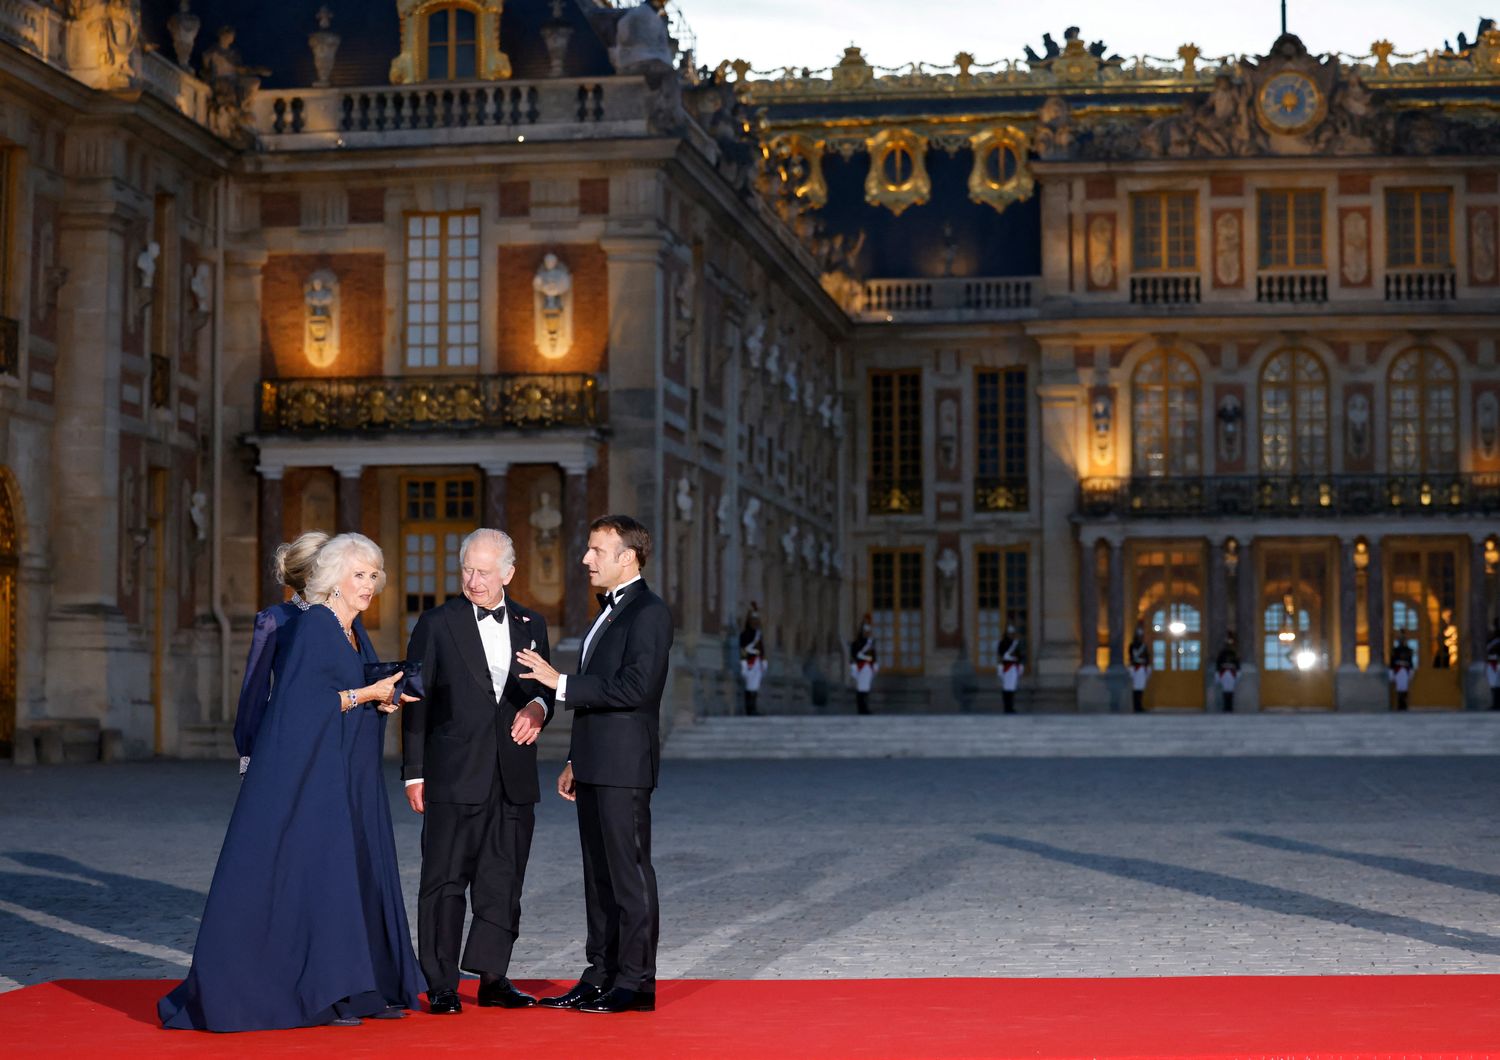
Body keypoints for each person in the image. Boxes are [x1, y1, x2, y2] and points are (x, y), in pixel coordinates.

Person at [160, 533, 422, 1031]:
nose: (370, 585)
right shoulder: (313, 627)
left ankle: (360, 987)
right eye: (360, 575)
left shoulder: (351, 629)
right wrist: (363, 693)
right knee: (320, 879)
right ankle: (324, 993)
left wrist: (383, 697)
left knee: (347, 877)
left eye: (374, 575)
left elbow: (344, 688)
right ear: (334, 580)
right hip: (309, 774)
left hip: (345, 773)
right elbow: (296, 707)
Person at [517, 515, 673, 1016]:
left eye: (596, 551)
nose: (586, 559)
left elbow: (637, 688)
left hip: (626, 764)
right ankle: (600, 973)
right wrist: (574, 758)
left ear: (627, 556)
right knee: (598, 876)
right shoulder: (605, 613)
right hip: (595, 761)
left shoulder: (649, 612)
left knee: (628, 873)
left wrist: (559, 683)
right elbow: (602, 688)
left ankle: (636, 982)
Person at [402, 529, 554, 1016]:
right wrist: (414, 772)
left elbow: (545, 687)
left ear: (508, 573)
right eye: (467, 569)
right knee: (444, 881)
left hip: (513, 775)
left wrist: (537, 708)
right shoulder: (436, 623)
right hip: (451, 774)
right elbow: (415, 702)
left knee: (503, 879)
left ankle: (493, 977)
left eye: (483, 572)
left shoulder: (533, 622)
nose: (473, 580)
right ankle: (442, 984)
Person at [233, 530, 328, 776]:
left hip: (335, 735)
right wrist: (249, 751)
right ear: (312, 573)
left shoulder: (346, 619)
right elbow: (255, 689)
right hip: (291, 737)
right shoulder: (274, 620)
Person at [738, 602, 767, 715]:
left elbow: (761, 648)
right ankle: (749, 709)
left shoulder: (758, 635)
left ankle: (753, 708)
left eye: (756, 621)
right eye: (753, 620)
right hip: (749, 662)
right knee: (749, 686)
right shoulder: (744, 635)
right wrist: (744, 663)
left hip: (757, 662)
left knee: (755, 686)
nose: (755, 623)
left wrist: (764, 660)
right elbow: (743, 649)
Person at [849, 615, 878, 715]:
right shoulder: (856, 643)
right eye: (865, 631)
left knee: (866, 689)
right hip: (860, 667)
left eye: (868, 632)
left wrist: (874, 664)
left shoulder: (870, 643)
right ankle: (861, 708)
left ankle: (865, 708)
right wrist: (853, 666)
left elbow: (873, 655)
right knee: (860, 689)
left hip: (868, 667)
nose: (867, 633)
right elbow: (854, 656)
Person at [996, 622, 1024, 714]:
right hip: (1006, 667)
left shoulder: (1015, 643)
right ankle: (1006, 707)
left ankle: (1010, 707)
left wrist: (1019, 663)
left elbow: (1019, 655)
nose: (1011, 635)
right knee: (1006, 688)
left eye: (1012, 633)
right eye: (1010, 633)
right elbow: (1000, 655)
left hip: (1013, 667)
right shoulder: (1002, 643)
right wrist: (1000, 666)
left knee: (1012, 688)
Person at [1390, 629, 1415, 711]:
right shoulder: (1395, 650)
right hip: (1398, 669)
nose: (1401, 640)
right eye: (1400, 639)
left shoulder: (1408, 650)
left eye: (1402, 639)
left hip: (1405, 669)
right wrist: (1391, 671)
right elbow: (1392, 661)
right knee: (1399, 687)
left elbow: (1410, 661)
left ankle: (1404, 704)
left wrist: (1411, 670)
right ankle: (1400, 704)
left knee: (1404, 687)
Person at [1215, 631, 1240, 713]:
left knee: (1231, 691)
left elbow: (1237, 663)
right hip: (1224, 672)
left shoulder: (1234, 654)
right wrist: (1218, 673)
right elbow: (1218, 663)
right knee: (1225, 691)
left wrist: (1238, 672)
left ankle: (1230, 707)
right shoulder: (1222, 654)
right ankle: (1226, 707)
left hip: (1232, 673)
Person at [1128, 624, 1150, 713]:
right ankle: (1136, 706)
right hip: (1135, 668)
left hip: (1141, 668)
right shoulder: (1132, 646)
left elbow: (1147, 657)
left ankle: (1139, 705)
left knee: (1140, 688)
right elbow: (1131, 656)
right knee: (1135, 688)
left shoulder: (1143, 646)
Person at [1485, 619, 1500, 712]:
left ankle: (1497, 704)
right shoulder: (1493, 638)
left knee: (1496, 685)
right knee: (1494, 685)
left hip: (1496, 662)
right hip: (1492, 662)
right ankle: (1495, 704)